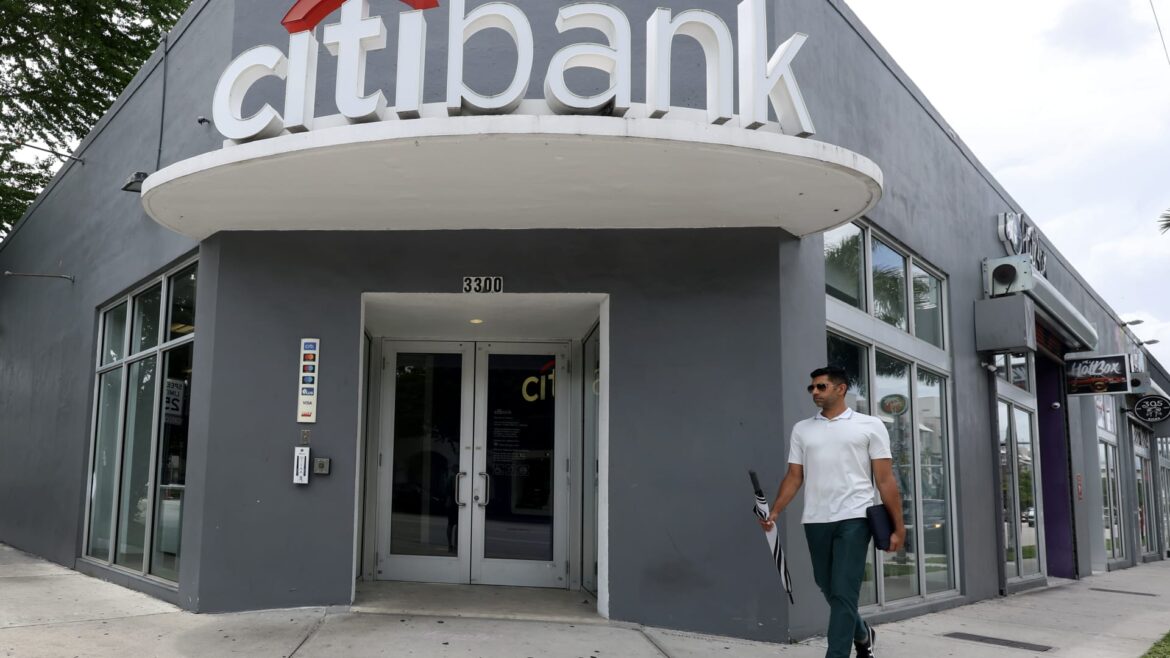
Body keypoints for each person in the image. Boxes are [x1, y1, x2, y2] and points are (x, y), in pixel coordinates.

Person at [759, 366, 905, 658]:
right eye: (811, 387)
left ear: (841, 389)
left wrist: (899, 528)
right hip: (815, 519)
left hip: (855, 517)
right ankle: (862, 634)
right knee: (826, 585)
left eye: (821, 386)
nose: (814, 392)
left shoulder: (870, 425)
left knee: (843, 590)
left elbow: (885, 480)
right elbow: (794, 476)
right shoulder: (802, 429)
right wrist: (775, 511)